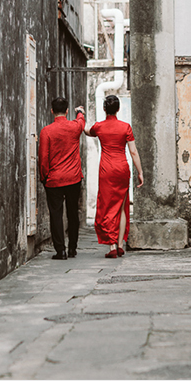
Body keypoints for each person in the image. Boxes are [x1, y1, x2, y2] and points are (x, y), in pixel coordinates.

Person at [86, 94, 143, 259]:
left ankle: (111, 245)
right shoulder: (125, 127)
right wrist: (140, 172)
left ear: (104, 109)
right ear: (118, 109)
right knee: (122, 207)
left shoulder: (99, 127)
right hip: (122, 169)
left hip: (106, 170)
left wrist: (80, 117)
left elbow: (86, 130)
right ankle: (120, 244)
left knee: (108, 206)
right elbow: (133, 151)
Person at [38, 97, 86, 260]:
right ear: (66, 111)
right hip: (73, 178)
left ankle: (61, 251)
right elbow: (81, 122)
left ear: (52, 111)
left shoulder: (46, 131)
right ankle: (72, 248)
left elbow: (43, 158)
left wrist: (44, 177)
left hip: (54, 179)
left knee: (56, 214)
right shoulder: (74, 127)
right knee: (73, 213)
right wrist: (79, 112)